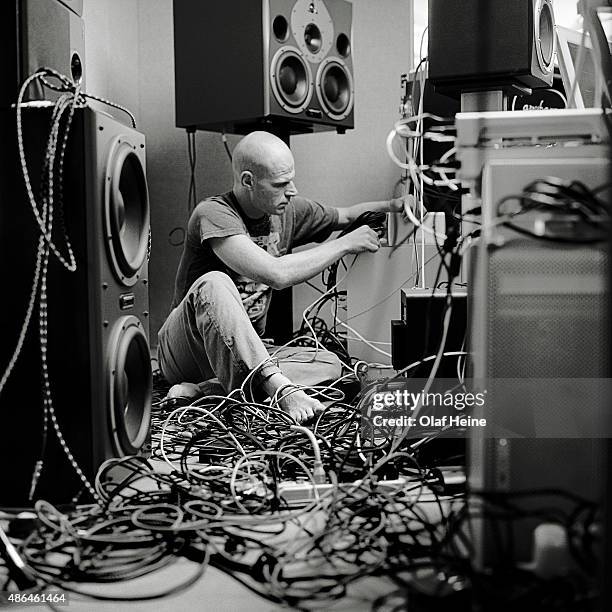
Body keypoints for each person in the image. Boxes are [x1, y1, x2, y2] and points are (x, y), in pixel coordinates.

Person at [158, 131, 405, 422]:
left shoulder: (288, 210)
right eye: (280, 184)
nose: (293, 191)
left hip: (245, 352)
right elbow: (275, 273)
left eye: (291, 180)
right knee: (214, 283)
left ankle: (207, 391)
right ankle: (281, 390)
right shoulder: (213, 213)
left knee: (330, 363)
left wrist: (398, 207)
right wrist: (345, 244)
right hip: (189, 347)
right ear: (248, 181)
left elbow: (347, 215)